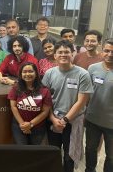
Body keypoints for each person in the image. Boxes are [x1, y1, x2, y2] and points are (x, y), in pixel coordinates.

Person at [42, 40, 93, 172]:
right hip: (53, 120)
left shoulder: (83, 74)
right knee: (53, 152)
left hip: (72, 121)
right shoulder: (49, 74)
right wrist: (53, 119)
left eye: (67, 52)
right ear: (55, 55)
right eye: (60, 52)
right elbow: (45, 100)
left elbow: (81, 101)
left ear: (72, 54)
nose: (63, 55)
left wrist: (65, 120)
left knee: (70, 156)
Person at [85, 38, 113, 172]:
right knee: (90, 149)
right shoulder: (93, 68)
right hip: (92, 119)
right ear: (102, 51)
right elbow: (86, 94)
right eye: (106, 51)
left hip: (112, 123)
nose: (110, 54)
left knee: (111, 156)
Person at [7, 62, 52, 145]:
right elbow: (13, 106)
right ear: (20, 74)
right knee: (23, 152)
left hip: (38, 127)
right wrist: (22, 124)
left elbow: (45, 112)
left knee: (35, 152)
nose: (27, 74)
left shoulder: (45, 90)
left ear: (36, 73)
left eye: (30, 71)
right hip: (19, 126)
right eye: (24, 72)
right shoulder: (16, 88)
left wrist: (30, 124)